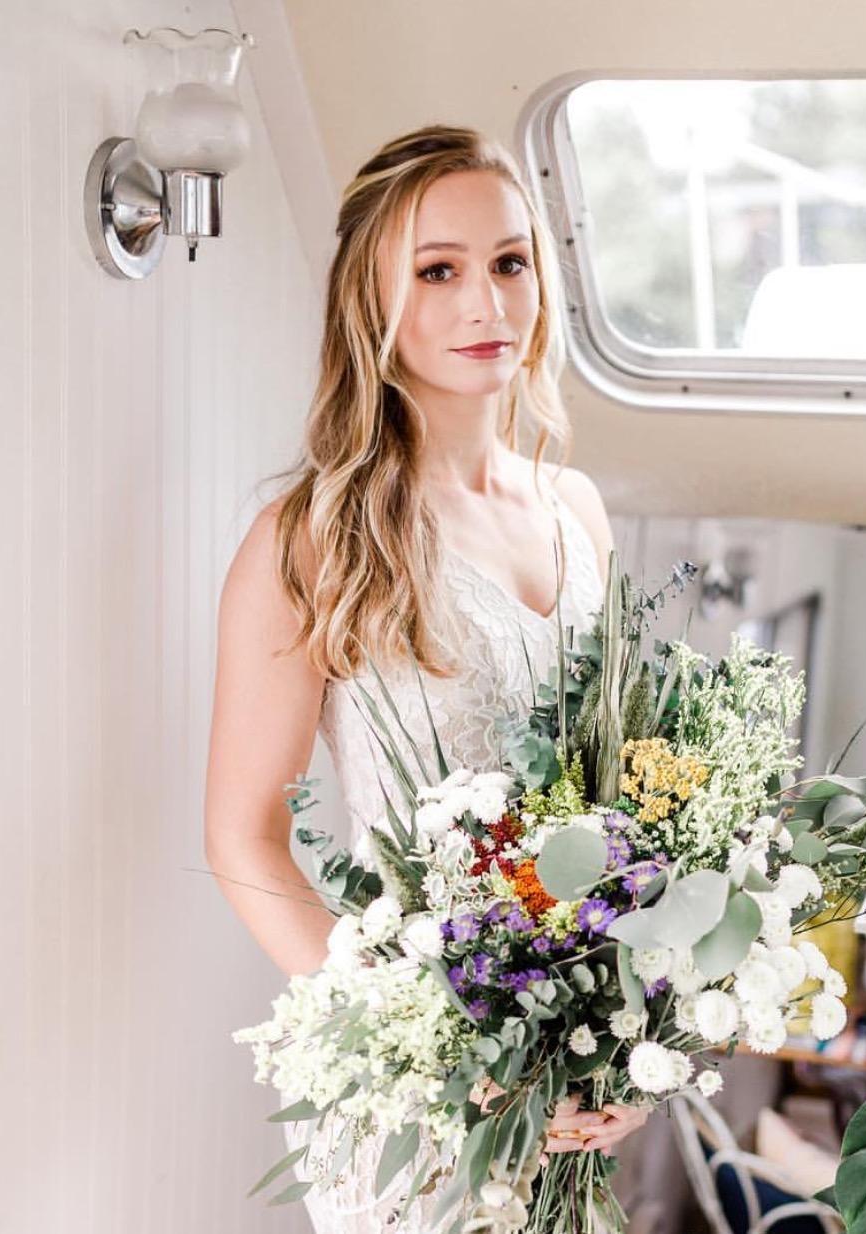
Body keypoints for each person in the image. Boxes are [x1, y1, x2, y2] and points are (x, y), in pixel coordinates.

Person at [203, 125, 650, 1232]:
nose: (487, 303)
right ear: (372, 301)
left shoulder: (577, 511)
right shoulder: (315, 537)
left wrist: (638, 1044)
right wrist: (430, 1043)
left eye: (510, 262)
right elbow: (243, 839)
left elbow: (626, 809)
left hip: (570, 1077)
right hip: (414, 1094)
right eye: (438, 271)